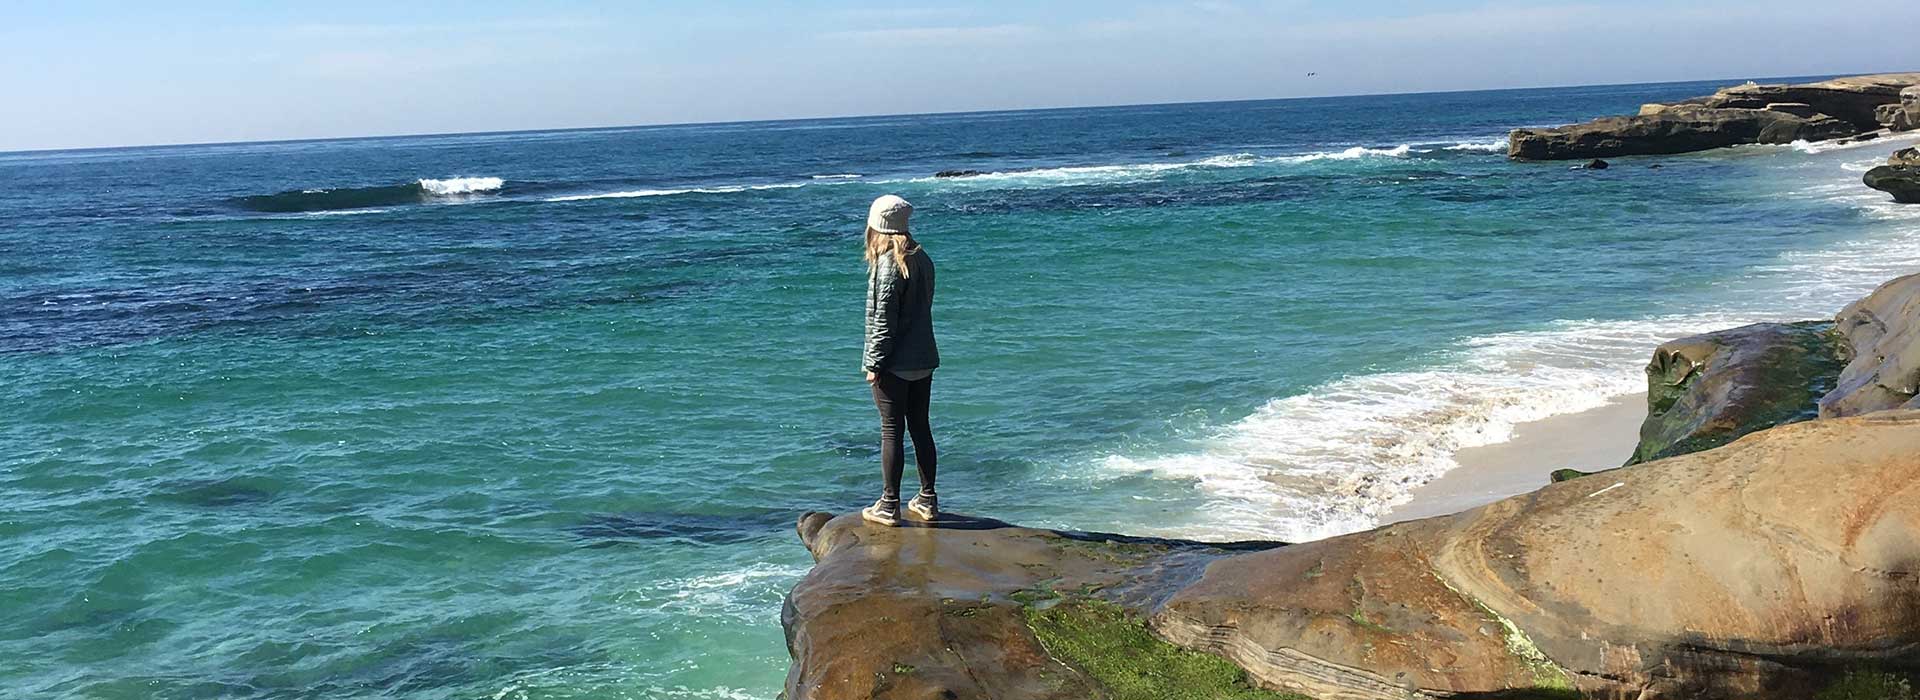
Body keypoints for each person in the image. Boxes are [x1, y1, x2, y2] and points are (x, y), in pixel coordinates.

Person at [859, 194, 940, 526]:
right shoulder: (923, 258)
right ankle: (927, 498)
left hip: (895, 362)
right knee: (920, 427)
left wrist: (873, 364)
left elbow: (883, 320)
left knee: (891, 430)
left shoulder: (887, 265)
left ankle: (888, 504)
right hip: (924, 357)